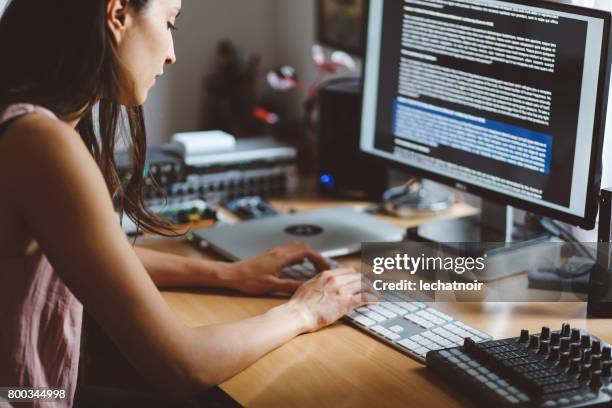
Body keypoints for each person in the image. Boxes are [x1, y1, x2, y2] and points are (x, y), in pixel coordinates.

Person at [0, 0, 373, 406]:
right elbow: (182, 366)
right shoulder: (41, 144)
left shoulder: (29, 127)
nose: (171, 54)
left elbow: (97, 254)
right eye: (169, 23)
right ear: (118, 15)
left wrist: (227, 275)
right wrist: (305, 312)